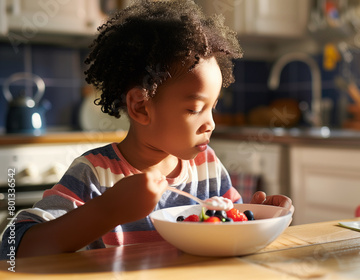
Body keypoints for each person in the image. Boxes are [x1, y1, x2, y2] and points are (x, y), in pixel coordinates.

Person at [0, 0, 292, 259]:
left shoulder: (207, 167)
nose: (211, 123)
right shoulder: (94, 174)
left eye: (212, 107)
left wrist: (257, 217)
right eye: (194, 109)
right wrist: (107, 210)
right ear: (141, 107)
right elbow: (13, 249)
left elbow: (231, 227)